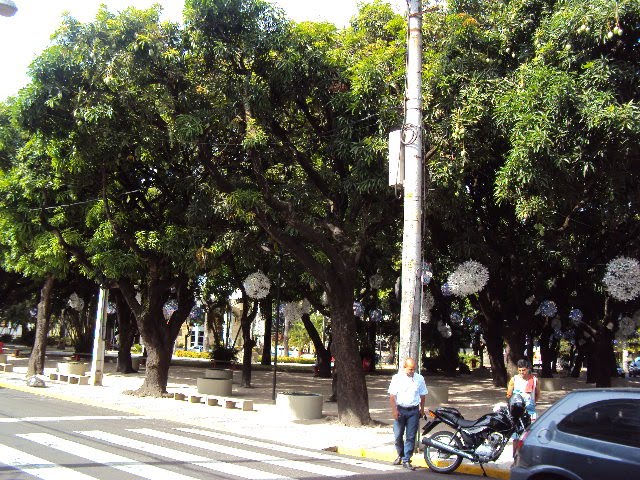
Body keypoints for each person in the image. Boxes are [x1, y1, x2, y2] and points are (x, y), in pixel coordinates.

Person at [388, 357, 428, 470]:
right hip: (400, 409)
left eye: (414, 369)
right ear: (404, 367)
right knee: (398, 435)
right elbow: (392, 396)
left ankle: (407, 459)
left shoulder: (419, 379)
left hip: (413, 411)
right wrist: (394, 410)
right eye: (410, 369)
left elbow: (423, 395)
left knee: (411, 436)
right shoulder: (397, 378)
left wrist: (422, 409)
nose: (412, 371)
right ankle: (400, 455)